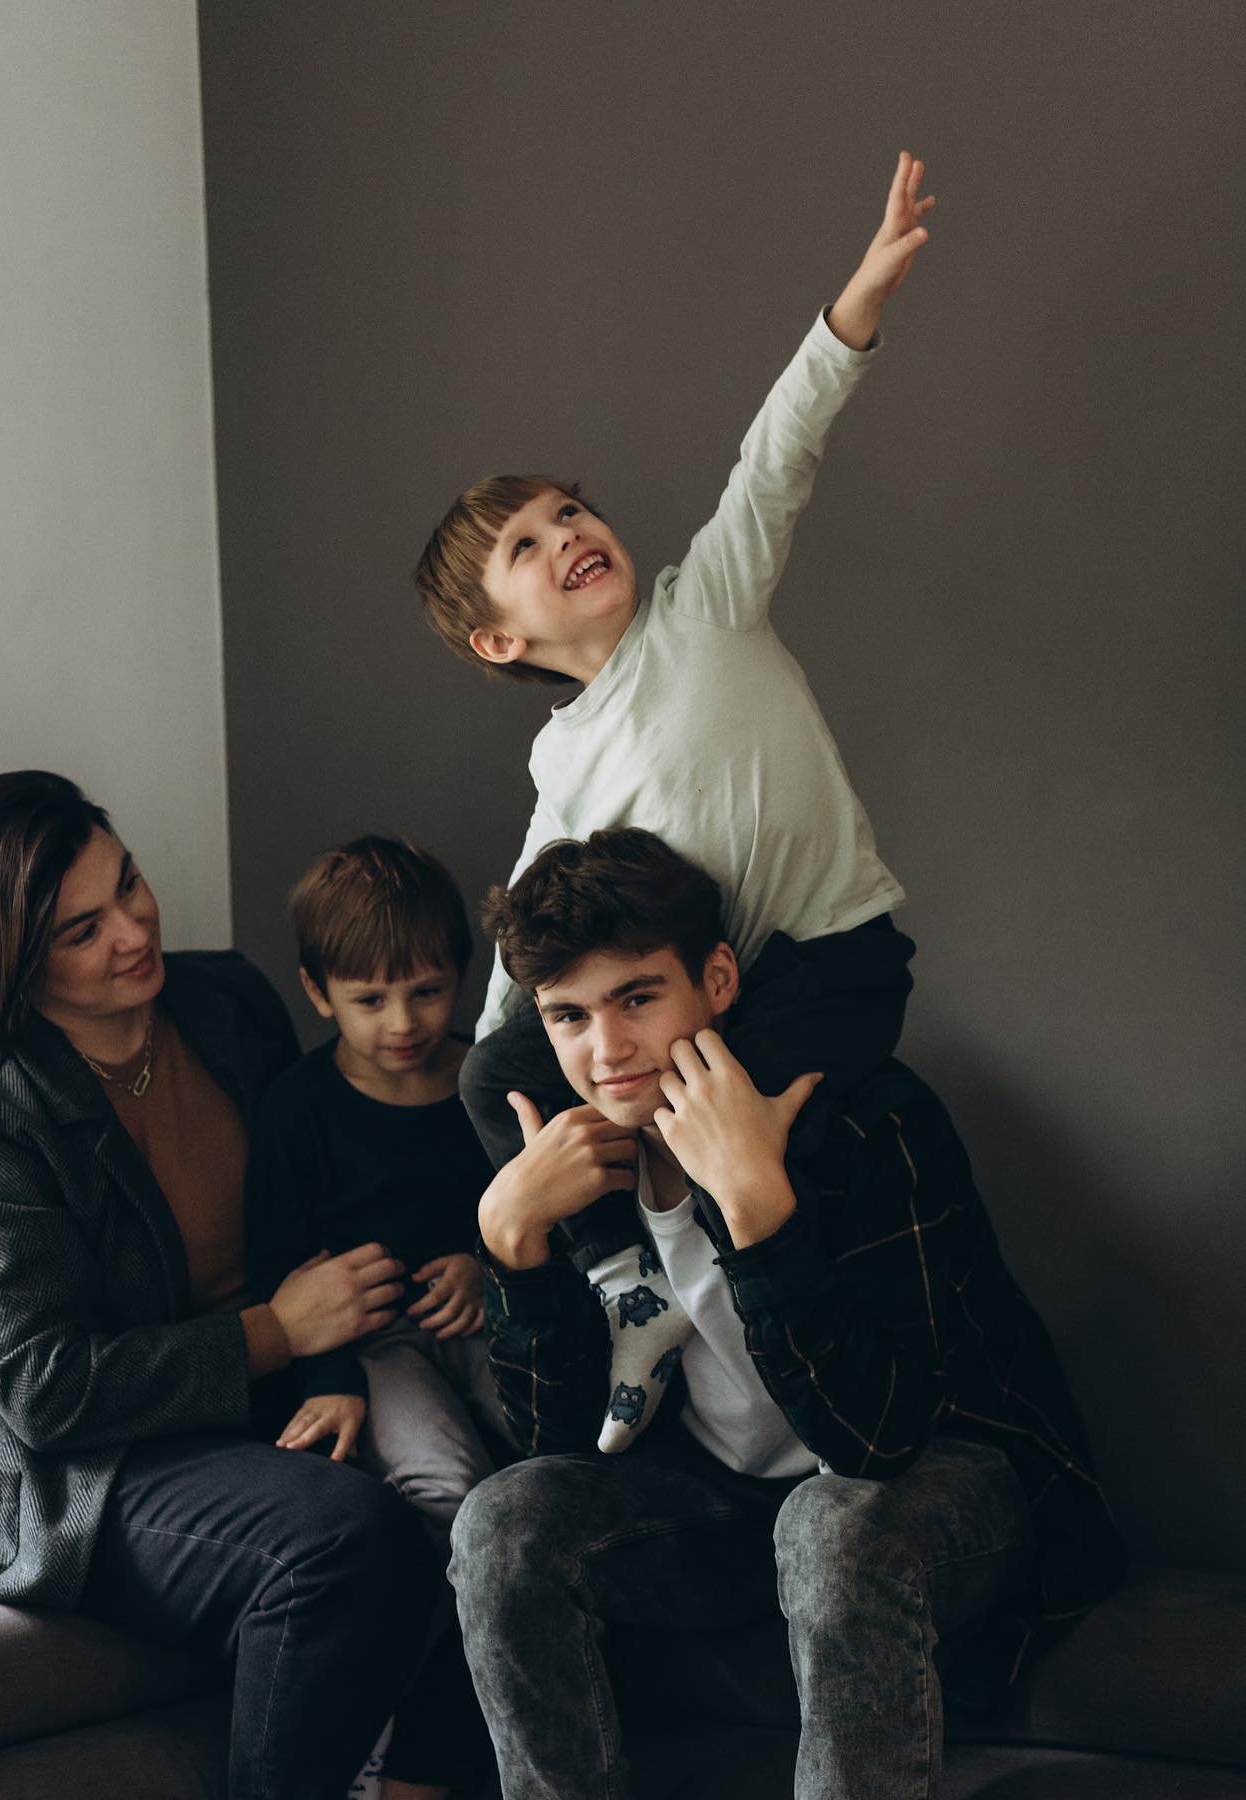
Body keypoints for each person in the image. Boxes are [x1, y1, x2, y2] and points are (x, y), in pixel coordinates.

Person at [414, 153, 932, 1447]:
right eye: (526, 545)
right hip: (713, 988)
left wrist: (856, 304)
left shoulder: (708, 607)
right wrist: (506, 1034)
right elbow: (531, 914)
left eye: (569, 511)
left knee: (725, 1146)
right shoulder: (563, 759)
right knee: (492, 1077)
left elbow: (776, 456)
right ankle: (623, 1284)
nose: (567, 534)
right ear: (498, 640)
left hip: (826, 964)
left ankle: (796, 1389)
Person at [448, 827, 1126, 1800]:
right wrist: (510, 1238)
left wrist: (759, 1210)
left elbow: (878, 1439)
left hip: (942, 1485)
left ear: (717, 979)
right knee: (501, 1519)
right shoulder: (574, 1158)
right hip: (725, 1503)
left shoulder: (863, 1117)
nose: (607, 1050)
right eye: (569, 1016)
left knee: (829, 1523)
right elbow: (556, 1447)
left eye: (637, 998)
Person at [0, 771, 444, 1800]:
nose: (134, 929)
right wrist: (277, 1332)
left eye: (129, 884)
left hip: (263, 1403)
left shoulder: (225, 1002)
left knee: (490, 1479)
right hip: (92, 1468)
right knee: (342, 1535)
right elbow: (47, 1391)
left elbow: (326, 1174)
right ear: (13, 965)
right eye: (82, 930)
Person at [245, 837, 505, 1800]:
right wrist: (329, 1381)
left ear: (462, 978)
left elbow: (546, 1215)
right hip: (371, 1341)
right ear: (318, 994)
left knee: (555, 1461)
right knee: (450, 1492)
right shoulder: (298, 1108)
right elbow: (280, 1265)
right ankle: (405, 1726)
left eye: (427, 992)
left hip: (484, 1318)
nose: (403, 1023)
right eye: (370, 1000)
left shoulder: (487, 1084)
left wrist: (485, 1268)